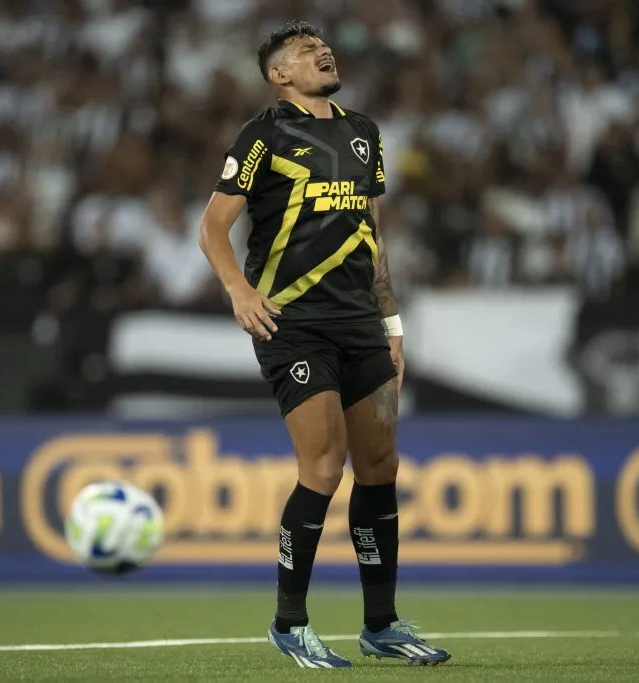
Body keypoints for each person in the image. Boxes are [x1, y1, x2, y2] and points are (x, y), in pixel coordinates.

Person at [198, 21, 450, 668]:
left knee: (381, 464)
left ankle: (381, 624)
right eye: (305, 51)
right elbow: (213, 226)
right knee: (324, 466)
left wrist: (390, 323)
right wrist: (239, 290)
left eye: (324, 47)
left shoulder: (363, 131)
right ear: (279, 73)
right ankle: (289, 621)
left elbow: (370, 230)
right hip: (295, 323)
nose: (322, 53)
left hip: (360, 322)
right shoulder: (265, 133)